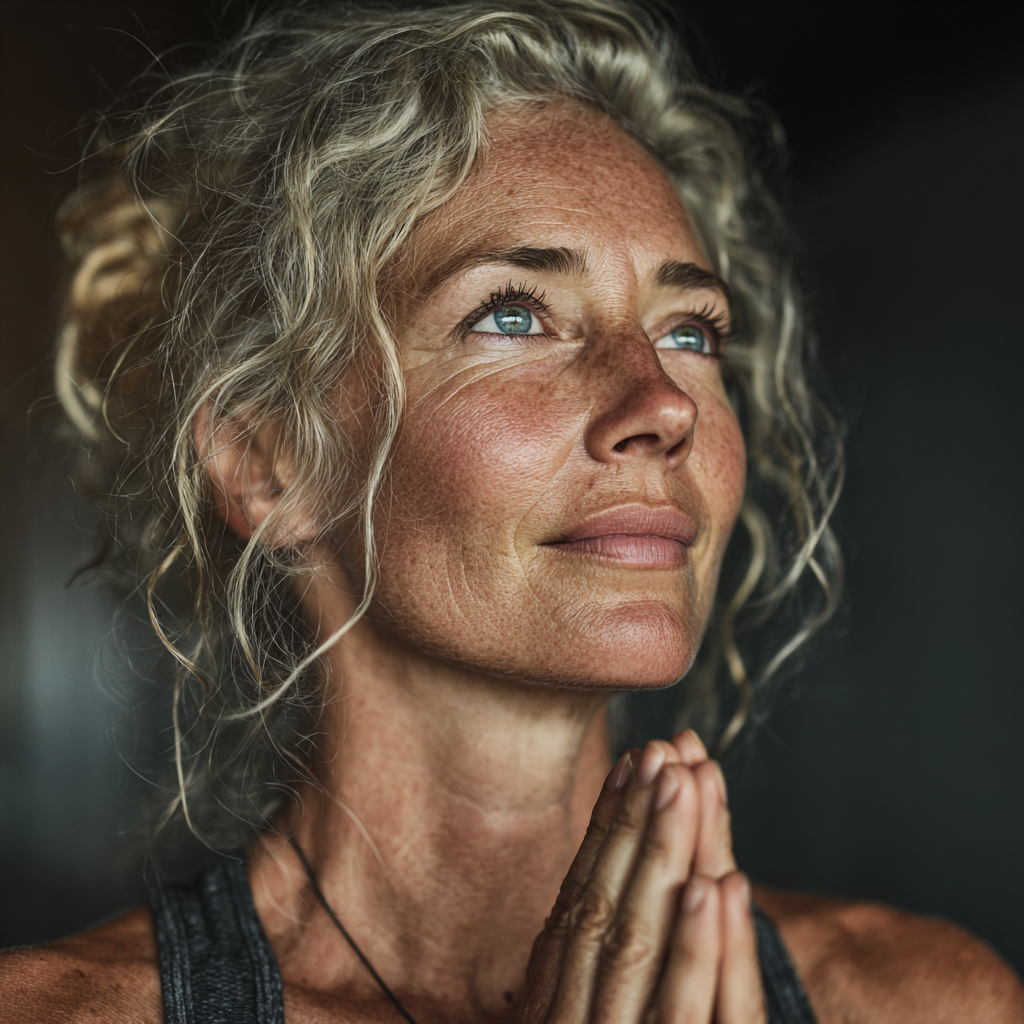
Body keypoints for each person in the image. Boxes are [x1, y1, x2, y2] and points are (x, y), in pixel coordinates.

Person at [1, 1, 1021, 1021]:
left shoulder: (926, 1001)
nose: (661, 402)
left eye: (690, 331)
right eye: (513, 314)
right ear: (269, 461)